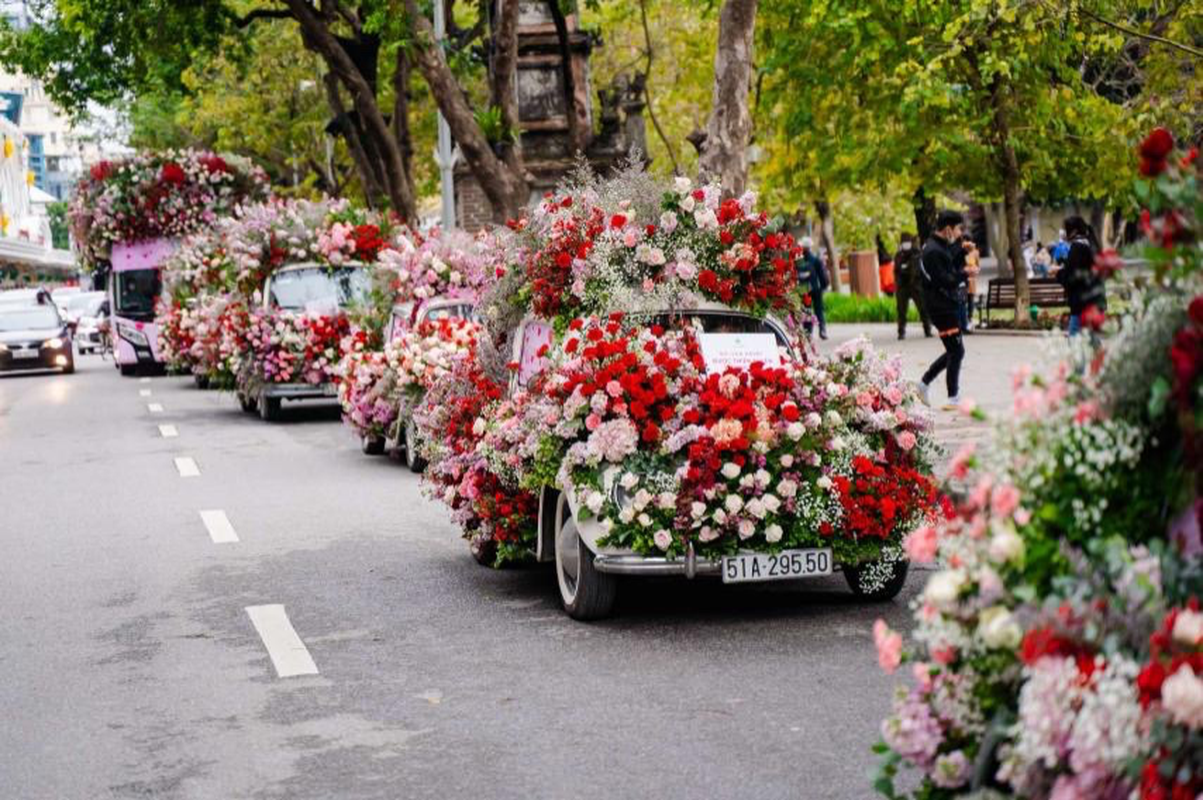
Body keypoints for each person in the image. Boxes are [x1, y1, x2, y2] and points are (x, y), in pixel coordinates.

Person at [918, 210, 974, 409]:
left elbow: (949, 262)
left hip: (943, 304)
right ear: (948, 229)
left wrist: (962, 251)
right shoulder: (933, 251)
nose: (960, 233)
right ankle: (951, 396)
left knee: (954, 350)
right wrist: (966, 273)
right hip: (940, 307)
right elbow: (946, 279)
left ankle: (925, 384)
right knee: (956, 350)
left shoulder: (938, 246)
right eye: (959, 229)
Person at [1055, 215, 1106, 336]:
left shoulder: (1078, 247)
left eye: (1066, 230)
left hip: (1082, 304)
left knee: (1075, 342)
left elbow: (1070, 278)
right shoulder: (1091, 243)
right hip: (1096, 300)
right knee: (1092, 341)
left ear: (1073, 231)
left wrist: (1057, 273)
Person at [893, 232, 932, 339]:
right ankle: (901, 332)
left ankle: (927, 329)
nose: (906, 245)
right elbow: (897, 270)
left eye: (907, 242)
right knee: (901, 311)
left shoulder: (916, 254)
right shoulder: (899, 255)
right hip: (902, 286)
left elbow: (916, 269)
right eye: (904, 243)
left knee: (922, 308)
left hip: (915, 285)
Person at [797, 236, 829, 340]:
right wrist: (824, 286)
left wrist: (823, 286)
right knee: (814, 310)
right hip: (812, 288)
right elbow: (822, 275)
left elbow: (821, 275)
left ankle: (811, 332)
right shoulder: (814, 260)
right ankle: (815, 331)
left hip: (808, 289)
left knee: (810, 310)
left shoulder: (806, 260)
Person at [960, 241, 981, 333]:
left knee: (970, 298)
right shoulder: (961, 252)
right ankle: (965, 321)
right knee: (964, 300)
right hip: (964, 279)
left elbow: (978, 265)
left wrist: (975, 270)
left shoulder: (975, 252)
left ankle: (970, 318)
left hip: (971, 279)